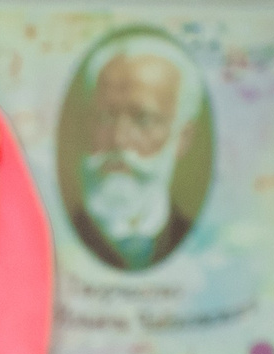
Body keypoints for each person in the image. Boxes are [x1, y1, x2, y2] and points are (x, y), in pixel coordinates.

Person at [66, 34, 203, 272]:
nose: (119, 140)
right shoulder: (60, 231)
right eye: (105, 117)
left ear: (182, 137)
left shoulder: (200, 242)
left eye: (143, 120)